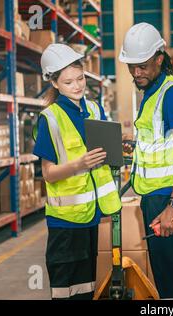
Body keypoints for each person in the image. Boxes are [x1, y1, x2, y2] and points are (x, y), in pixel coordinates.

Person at [33, 43, 122, 300]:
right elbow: (48, 173)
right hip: (65, 221)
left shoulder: (94, 109)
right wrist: (79, 165)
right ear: (56, 84)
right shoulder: (50, 118)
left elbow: (105, 150)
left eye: (80, 78)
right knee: (65, 291)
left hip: (91, 215)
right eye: (69, 82)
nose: (78, 86)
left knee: (87, 288)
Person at [119, 23, 173, 299]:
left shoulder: (172, 93)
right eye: (131, 66)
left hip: (171, 199)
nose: (136, 72)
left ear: (159, 59)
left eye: (142, 66)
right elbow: (159, 143)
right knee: (166, 283)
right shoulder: (152, 92)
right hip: (157, 197)